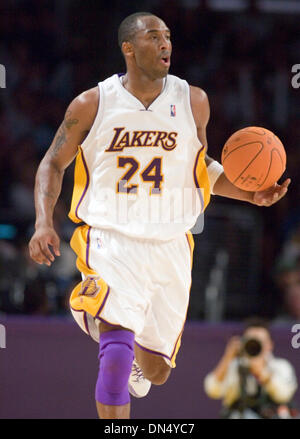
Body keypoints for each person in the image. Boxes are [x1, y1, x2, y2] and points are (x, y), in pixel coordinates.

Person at [28, 12, 290, 419]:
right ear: (128, 48)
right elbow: (52, 163)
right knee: (115, 352)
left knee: (157, 371)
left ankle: (122, 338)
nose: (165, 44)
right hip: (111, 240)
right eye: (154, 37)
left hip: (171, 245)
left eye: (167, 36)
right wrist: (44, 221)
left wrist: (249, 194)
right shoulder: (92, 103)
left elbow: (201, 169)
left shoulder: (193, 100)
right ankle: (100, 318)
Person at [204, 318, 298, 418]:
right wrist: (228, 357)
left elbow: (284, 395)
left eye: (259, 342)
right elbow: (212, 390)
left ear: (269, 345)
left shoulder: (281, 366)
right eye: (251, 341)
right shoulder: (236, 366)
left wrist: (261, 372)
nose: (255, 346)